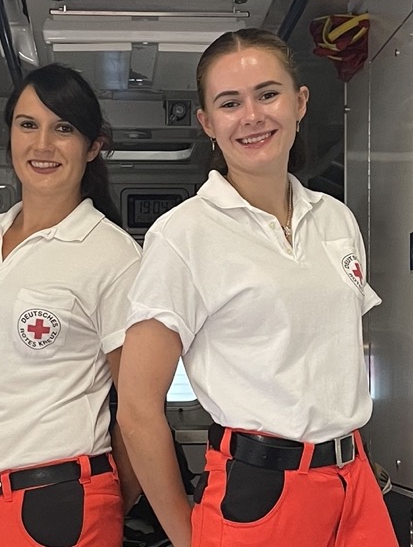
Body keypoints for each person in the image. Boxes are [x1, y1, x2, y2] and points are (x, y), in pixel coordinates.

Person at [116, 29, 397, 547]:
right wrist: (187, 536)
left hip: (354, 483)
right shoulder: (184, 234)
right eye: (230, 103)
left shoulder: (335, 219)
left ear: (300, 102)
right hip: (261, 492)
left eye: (267, 94)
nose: (252, 116)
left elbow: (332, 365)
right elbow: (136, 409)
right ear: (207, 123)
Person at [0, 63, 142, 547]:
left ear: (93, 146)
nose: (42, 145)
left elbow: (139, 405)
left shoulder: (112, 254)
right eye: (27, 125)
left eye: (63, 129)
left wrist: (104, 503)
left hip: (55, 500)